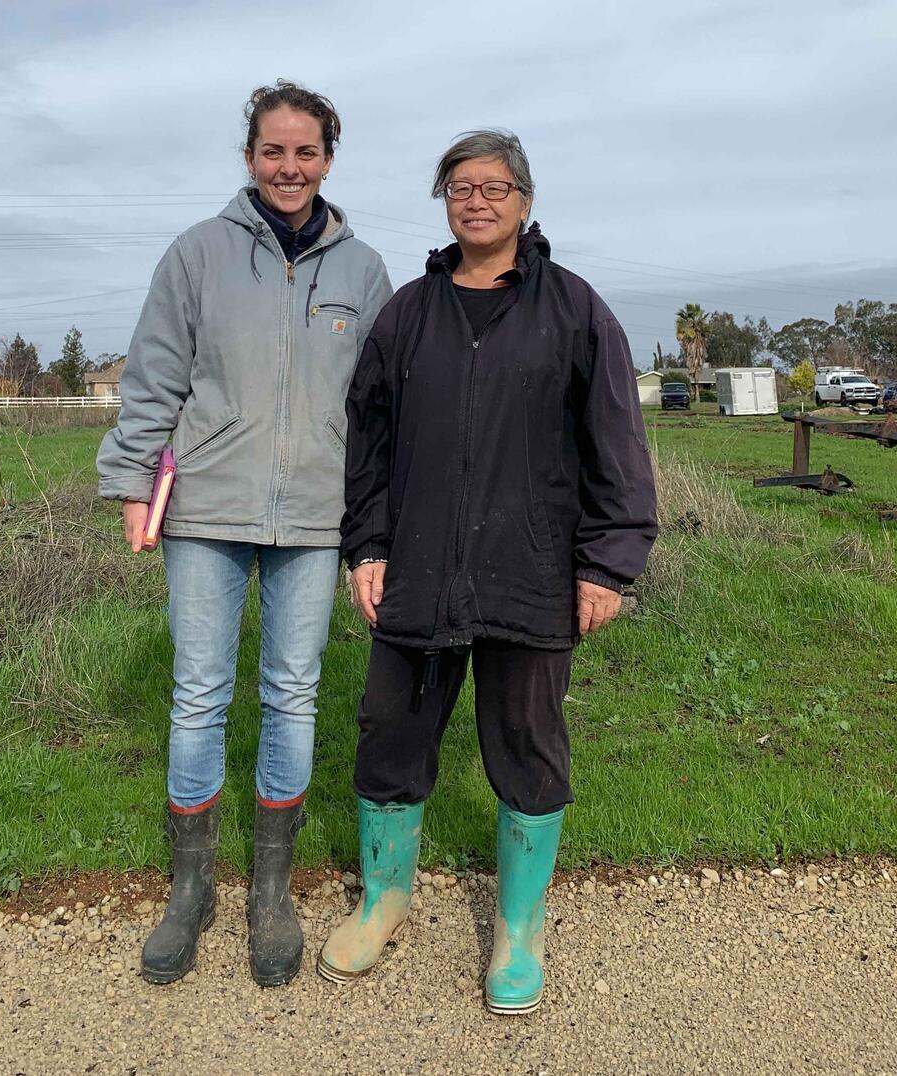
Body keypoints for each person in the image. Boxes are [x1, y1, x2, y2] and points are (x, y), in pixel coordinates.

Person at [318, 130, 657, 1014]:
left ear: (525, 201)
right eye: (461, 186)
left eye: (495, 186)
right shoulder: (408, 313)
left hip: (532, 576)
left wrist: (608, 567)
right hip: (417, 577)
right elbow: (370, 442)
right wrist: (369, 545)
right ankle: (385, 898)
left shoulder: (576, 311)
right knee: (389, 735)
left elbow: (616, 446)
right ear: (444, 200)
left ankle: (518, 929)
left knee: (528, 751)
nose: (478, 200)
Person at [97, 80, 392, 988]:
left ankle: (271, 889)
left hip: (313, 515)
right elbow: (152, 378)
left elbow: (382, 409)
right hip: (207, 509)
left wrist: (381, 524)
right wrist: (131, 484)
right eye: (274, 151)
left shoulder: (365, 272)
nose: (289, 167)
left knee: (292, 693)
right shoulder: (196, 256)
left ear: (329, 160)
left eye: (306, 152)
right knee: (198, 694)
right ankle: (192, 890)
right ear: (250, 156)